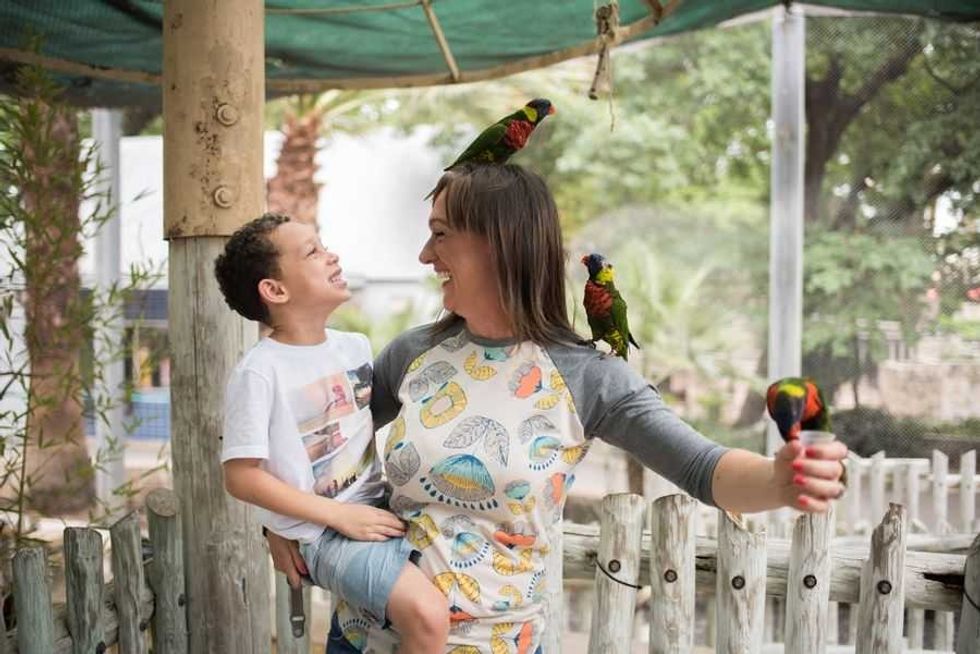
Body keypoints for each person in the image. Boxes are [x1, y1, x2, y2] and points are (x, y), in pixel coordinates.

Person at [266, 164, 848, 653]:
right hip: (362, 640)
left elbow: (705, 469)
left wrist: (778, 480)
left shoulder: (588, 377)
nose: (424, 254)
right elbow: (313, 449)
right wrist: (279, 523)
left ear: (498, 242)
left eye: (440, 234)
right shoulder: (411, 354)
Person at [213, 213, 450, 654]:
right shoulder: (259, 372)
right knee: (427, 615)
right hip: (323, 535)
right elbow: (240, 476)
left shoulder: (354, 347)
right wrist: (335, 516)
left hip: (374, 510)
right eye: (312, 252)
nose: (332, 255)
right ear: (276, 290)